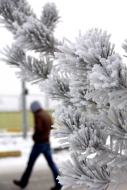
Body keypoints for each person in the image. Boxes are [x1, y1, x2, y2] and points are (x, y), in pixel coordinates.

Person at [13, 101, 62, 190]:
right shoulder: (46, 114)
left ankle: (23, 183)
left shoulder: (38, 115)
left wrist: (34, 137)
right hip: (47, 143)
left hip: (39, 144)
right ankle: (59, 182)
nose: (32, 111)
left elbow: (38, 129)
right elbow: (51, 126)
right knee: (51, 164)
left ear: (34, 108)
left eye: (32, 109)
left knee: (30, 164)